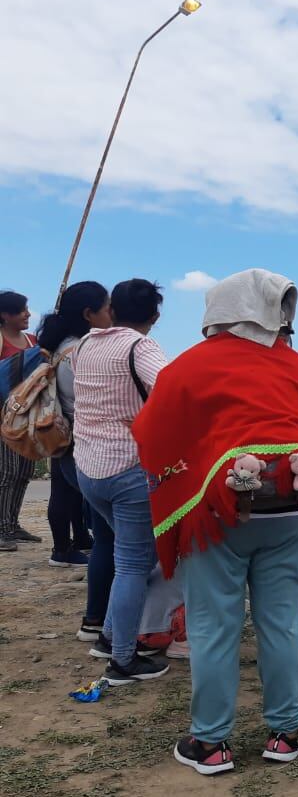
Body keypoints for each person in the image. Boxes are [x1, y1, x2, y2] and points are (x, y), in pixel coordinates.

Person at [133, 268, 298, 775]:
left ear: (218, 311)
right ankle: (288, 729)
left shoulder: (188, 367)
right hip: (291, 513)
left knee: (211, 626)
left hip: (215, 515)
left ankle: (210, 743)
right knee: (280, 622)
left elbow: (153, 436)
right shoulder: (297, 368)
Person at [73, 279, 170, 684]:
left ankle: (111, 635)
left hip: (88, 467)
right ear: (156, 316)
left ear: (111, 308)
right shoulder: (140, 347)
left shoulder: (84, 345)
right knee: (134, 563)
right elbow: (173, 391)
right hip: (129, 467)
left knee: (132, 558)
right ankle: (123, 660)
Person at [37, 281, 111, 568]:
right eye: (107, 309)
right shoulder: (79, 350)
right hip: (77, 431)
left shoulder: (59, 344)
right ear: (88, 314)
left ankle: (74, 542)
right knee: (71, 492)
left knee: (64, 491)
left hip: (60, 428)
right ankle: (64, 549)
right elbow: (83, 398)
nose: (111, 315)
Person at [0, 290, 38, 552]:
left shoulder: (32, 340)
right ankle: (2, 527)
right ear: (5, 315)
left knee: (25, 471)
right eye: (22, 310)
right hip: (4, 416)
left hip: (28, 415)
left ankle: (12, 523)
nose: (28, 314)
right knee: (7, 472)